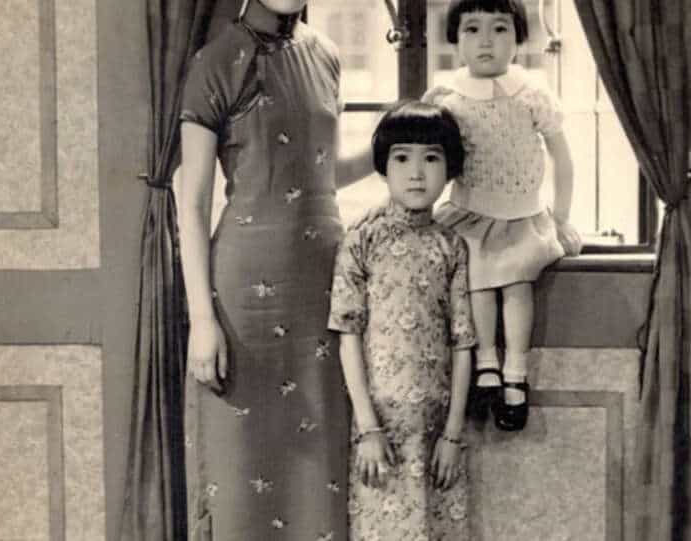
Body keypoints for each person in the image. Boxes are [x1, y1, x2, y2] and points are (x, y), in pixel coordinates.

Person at [177, 0, 372, 539]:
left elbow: (324, 176)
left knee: (320, 466)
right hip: (245, 297)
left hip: (322, 288)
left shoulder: (326, 56)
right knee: (241, 468)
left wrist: (399, 144)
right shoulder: (217, 60)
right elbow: (190, 203)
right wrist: (201, 318)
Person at [424, 0, 582, 431]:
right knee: (476, 276)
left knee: (515, 281)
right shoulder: (447, 97)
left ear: (517, 38)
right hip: (470, 211)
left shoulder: (531, 93)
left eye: (499, 29)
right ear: (455, 40)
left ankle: (516, 370)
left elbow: (563, 160)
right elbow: (429, 159)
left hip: (522, 214)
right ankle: (486, 363)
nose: (486, 42)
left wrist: (562, 217)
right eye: (472, 30)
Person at [328, 101, 477, 541]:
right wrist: (369, 428)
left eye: (431, 158)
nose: (416, 173)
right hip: (380, 431)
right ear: (384, 167)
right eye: (402, 158)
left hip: (437, 434)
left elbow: (462, 342)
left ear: (449, 168)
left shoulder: (453, 247)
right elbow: (348, 337)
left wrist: (452, 435)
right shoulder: (361, 240)